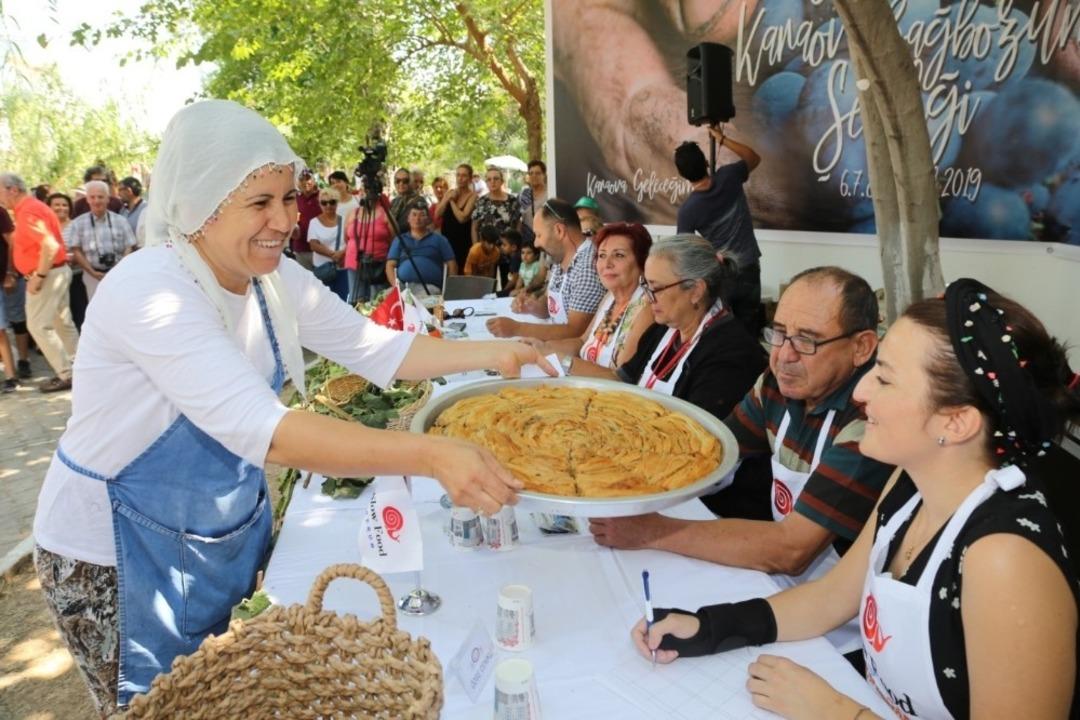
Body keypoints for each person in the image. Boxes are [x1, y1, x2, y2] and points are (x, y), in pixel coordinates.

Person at [30, 100, 553, 717]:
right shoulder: (152, 291)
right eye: (260, 202)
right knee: (160, 707)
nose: (286, 219)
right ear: (200, 203)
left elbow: (373, 347)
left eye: (288, 197)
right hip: (117, 552)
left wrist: (499, 353)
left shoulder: (273, 279)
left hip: (207, 533)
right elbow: (268, 433)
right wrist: (432, 454)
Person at [635, 279, 1080, 720]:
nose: (862, 393)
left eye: (884, 379)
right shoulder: (909, 485)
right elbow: (829, 599)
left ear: (957, 422)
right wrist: (709, 626)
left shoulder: (1007, 560)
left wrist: (836, 712)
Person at [592, 266, 893, 653]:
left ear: (862, 347)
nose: (783, 356)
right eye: (779, 332)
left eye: (807, 341)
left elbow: (791, 549)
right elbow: (710, 455)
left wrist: (652, 531)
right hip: (778, 594)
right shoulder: (778, 385)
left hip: (838, 635)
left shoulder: (870, 425)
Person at [533, 222, 655, 375]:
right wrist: (542, 347)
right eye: (602, 255)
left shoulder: (647, 307)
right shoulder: (609, 298)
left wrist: (563, 361)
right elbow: (582, 342)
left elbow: (620, 378)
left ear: (642, 262)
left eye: (619, 255)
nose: (607, 264)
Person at [675, 126, 763, 334]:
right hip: (750, 265)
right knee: (750, 328)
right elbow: (754, 157)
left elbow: (686, 253)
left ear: (682, 175)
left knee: (726, 331)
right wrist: (722, 139)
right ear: (706, 162)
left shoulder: (688, 210)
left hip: (723, 276)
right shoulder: (729, 176)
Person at [0, 173, 79, 393]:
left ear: (12, 189)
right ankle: (81, 366)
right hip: (56, 271)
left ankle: (66, 373)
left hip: (47, 275)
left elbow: (50, 246)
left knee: (37, 325)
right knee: (63, 323)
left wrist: (39, 276)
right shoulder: (32, 208)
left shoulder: (29, 211)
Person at [486, 197, 605, 342]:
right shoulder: (561, 257)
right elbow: (548, 306)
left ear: (559, 231)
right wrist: (531, 307)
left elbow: (575, 332)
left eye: (539, 235)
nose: (536, 243)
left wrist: (517, 328)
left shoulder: (588, 267)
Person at [63, 180, 137, 300]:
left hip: (119, 274)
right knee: (96, 310)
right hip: (92, 276)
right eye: (92, 197)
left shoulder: (121, 220)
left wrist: (118, 269)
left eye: (100, 197)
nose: (96, 201)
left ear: (108, 199)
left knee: (120, 305)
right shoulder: (78, 223)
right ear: (87, 199)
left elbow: (129, 246)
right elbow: (76, 250)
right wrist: (92, 272)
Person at [386, 202, 457, 296]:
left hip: (430, 287)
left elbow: (452, 264)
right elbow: (390, 265)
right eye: (414, 215)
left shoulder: (439, 239)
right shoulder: (400, 240)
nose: (417, 219)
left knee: (422, 301)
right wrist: (396, 286)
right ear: (408, 218)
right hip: (403, 287)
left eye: (422, 215)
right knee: (384, 298)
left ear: (428, 219)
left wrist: (449, 288)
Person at [344, 185, 395, 304]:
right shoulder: (353, 213)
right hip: (354, 262)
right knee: (356, 300)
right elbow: (346, 237)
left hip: (377, 265)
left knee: (377, 301)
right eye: (362, 191)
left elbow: (394, 239)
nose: (364, 194)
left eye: (367, 191)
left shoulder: (385, 213)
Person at [2, 203, 32, 380]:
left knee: (17, 318)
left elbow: (12, 242)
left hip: (9, 277)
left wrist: (10, 272)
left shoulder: (0, 212)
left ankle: (23, 360)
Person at [307, 188, 348, 300]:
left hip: (341, 269)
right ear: (320, 204)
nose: (328, 205)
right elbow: (313, 245)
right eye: (324, 203)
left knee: (342, 300)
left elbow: (351, 241)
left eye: (332, 202)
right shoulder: (314, 222)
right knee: (323, 302)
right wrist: (333, 254)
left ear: (337, 202)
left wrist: (342, 253)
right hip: (322, 270)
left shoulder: (344, 220)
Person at [436, 163, 477, 269]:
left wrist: (452, 201)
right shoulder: (450, 193)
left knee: (461, 275)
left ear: (470, 178)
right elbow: (437, 214)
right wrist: (446, 199)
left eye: (464, 175)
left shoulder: (473, 196)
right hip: (446, 241)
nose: (460, 178)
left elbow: (462, 218)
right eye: (458, 175)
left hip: (463, 242)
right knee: (446, 274)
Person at [471, 167, 520, 246]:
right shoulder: (481, 201)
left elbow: (518, 225)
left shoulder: (513, 201)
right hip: (487, 250)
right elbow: (474, 228)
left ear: (502, 181)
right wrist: (476, 248)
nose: (492, 182)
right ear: (486, 183)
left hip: (508, 250)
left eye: (496, 178)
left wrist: (516, 246)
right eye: (489, 179)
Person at [291, 169, 321, 270]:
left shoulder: (322, 196)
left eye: (308, 179)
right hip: (301, 248)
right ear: (298, 183)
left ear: (314, 180)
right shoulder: (294, 199)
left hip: (321, 248)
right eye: (302, 180)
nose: (305, 182)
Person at [389, 167, 427, 232]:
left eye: (405, 181)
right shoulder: (394, 202)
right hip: (394, 241)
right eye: (397, 181)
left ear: (410, 182)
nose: (401, 184)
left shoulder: (419, 201)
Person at [519, 160, 548, 245]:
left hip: (545, 238)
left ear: (544, 175)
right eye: (531, 173)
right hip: (527, 240)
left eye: (537, 173)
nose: (534, 176)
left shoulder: (550, 193)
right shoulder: (524, 194)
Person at [497, 228, 523, 295]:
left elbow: (514, 279)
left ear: (514, 247)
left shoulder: (516, 258)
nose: (502, 247)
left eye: (504, 245)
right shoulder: (513, 256)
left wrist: (504, 291)